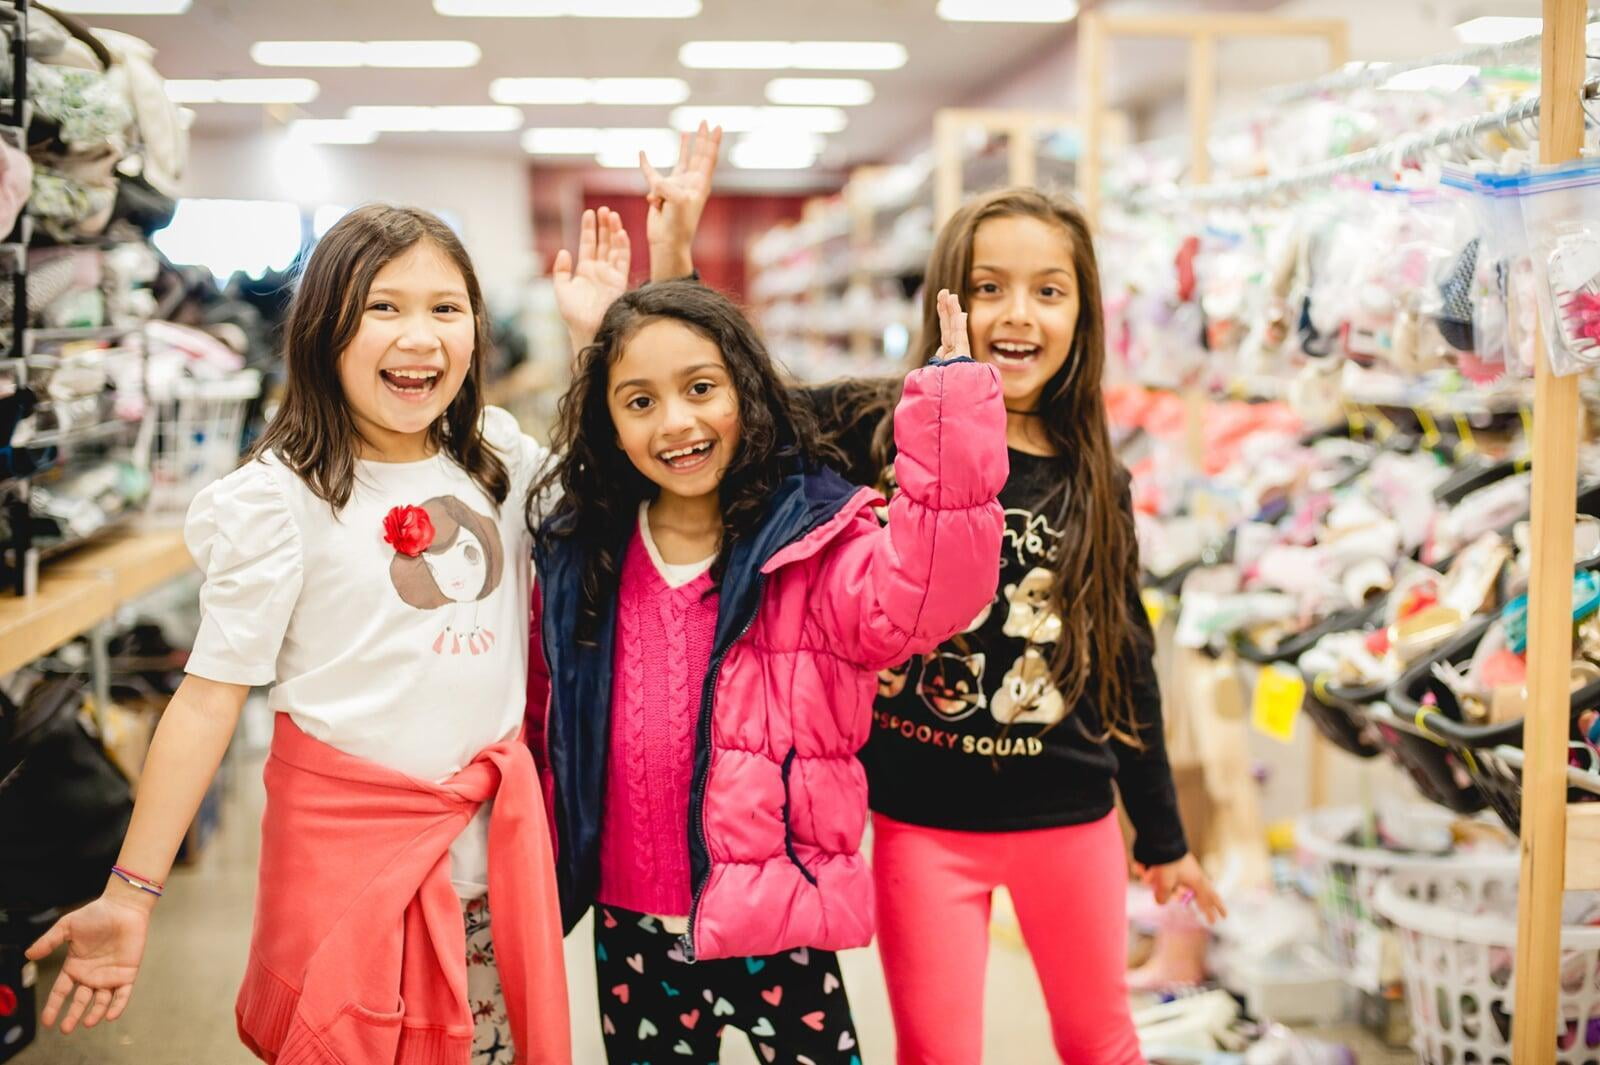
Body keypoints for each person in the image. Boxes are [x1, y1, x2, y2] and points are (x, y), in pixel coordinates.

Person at [658, 184, 1226, 1064]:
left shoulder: (1094, 475)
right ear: (944, 302)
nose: (1016, 313)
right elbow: (752, 410)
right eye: (988, 286)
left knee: (1101, 1039)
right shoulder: (881, 426)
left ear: (1083, 313)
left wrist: (1163, 837)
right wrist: (679, 271)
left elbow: (1125, 659)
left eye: (1049, 289)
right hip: (921, 818)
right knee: (936, 1050)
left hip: (1069, 813)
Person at [26, 204, 570, 1065]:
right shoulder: (279, 501)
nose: (420, 334)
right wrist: (131, 893)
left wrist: (599, 327)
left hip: (482, 882)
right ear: (323, 330)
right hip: (346, 884)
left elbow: (635, 488)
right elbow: (207, 701)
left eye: (446, 307)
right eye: (383, 307)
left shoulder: (497, 459)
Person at [530, 265, 1007, 1062]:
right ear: (610, 423)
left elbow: (926, 600)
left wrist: (951, 424)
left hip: (775, 917)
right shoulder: (587, 549)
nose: (676, 422)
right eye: (640, 402)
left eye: (701, 388)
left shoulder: (814, 541)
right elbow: (548, 719)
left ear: (748, 391)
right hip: (629, 919)